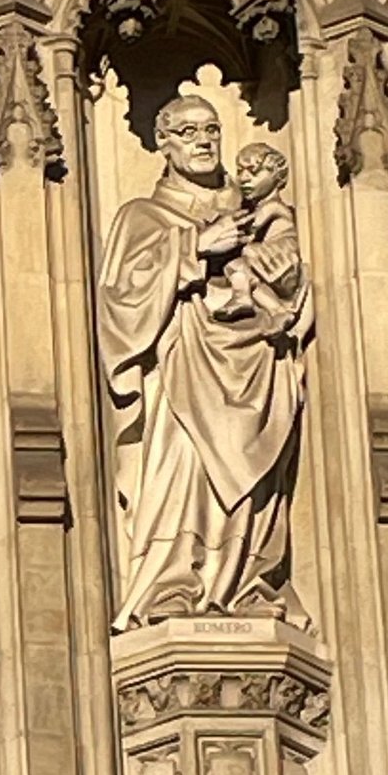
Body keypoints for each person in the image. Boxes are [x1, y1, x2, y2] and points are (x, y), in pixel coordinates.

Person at [98, 96, 311, 628]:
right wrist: (195, 246)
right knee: (185, 470)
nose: (203, 141)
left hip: (256, 362)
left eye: (212, 130)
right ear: (163, 143)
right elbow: (120, 299)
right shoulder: (142, 216)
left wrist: (281, 276)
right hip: (183, 365)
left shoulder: (252, 213)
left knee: (255, 474)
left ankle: (248, 582)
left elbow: (294, 283)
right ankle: (174, 583)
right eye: (188, 132)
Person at [213, 142, 301, 330]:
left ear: (277, 176)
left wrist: (218, 228)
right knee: (236, 267)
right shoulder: (260, 206)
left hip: (280, 259)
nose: (244, 179)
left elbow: (250, 227)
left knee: (244, 254)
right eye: (240, 171)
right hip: (264, 259)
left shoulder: (273, 206)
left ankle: (245, 297)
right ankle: (275, 310)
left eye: (253, 172)